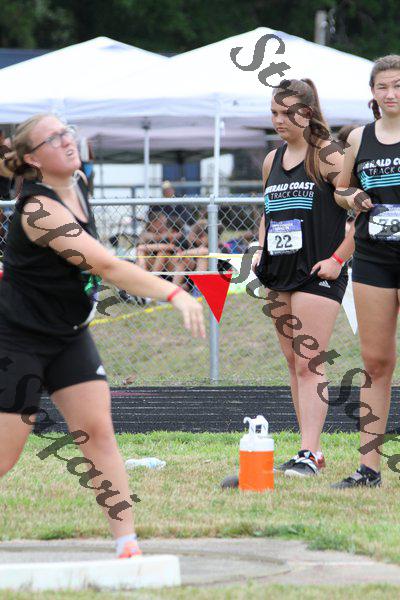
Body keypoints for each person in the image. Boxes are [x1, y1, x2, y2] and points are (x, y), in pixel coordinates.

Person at [0, 113, 205, 557]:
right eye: (53, 139)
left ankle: (127, 544)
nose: (66, 141)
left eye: (66, 132)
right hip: (17, 340)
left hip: (69, 335)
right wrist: (175, 293)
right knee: (5, 456)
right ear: (33, 159)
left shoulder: (78, 184)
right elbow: (106, 266)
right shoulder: (38, 210)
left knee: (98, 434)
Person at [253, 78, 355, 477]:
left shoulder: (328, 156)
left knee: (310, 362)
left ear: (307, 113)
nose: (278, 120)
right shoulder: (271, 160)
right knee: (294, 363)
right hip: (279, 272)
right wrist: (261, 247)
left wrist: (338, 259)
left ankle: (309, 453)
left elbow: (364, 212)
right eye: (273, 113)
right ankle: (309, 450)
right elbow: (269, 213)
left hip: (318, 271)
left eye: (286, 113)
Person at [333, 55, 400, 488]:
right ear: (372, 93)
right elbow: (340, 189)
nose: (391, 94)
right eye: (383, 87)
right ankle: (368, 469)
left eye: (398, 85)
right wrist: (353, 197)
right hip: (374, 257)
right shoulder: (359, 137)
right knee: (375, 363)